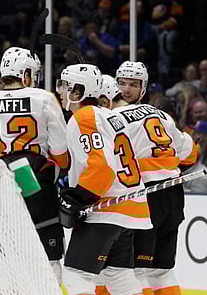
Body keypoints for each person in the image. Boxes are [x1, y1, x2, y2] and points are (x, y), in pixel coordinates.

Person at [0, 47, 70, 284]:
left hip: (0, 186)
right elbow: (62, 157)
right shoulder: (44, 98)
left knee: (2, 257)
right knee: (48, 259)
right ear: (26, 74)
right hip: (37, 184)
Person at [101, 63, 199, 295]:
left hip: (147, 196)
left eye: (133, 84)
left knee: (138, 271)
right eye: (122, 82)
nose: (126, 88)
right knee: (161, 271)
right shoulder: (161, 114)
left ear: (143, 88)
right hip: (173, 194)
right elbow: (190, 154)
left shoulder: (114, 118)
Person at [56, 63, 151, 295]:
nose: (59, 90)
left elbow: (102, 168)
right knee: (119, 277)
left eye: (64, 85)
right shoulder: (110, 116)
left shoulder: (84, 117)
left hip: (104, 209)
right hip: (130, 209)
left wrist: (78, 198)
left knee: (77, 275)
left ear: (77, 92)